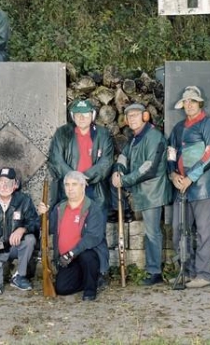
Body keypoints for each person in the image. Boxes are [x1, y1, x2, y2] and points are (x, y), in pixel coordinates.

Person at [48, 99, 113, 281]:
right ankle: (65, 267)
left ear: (92, 116)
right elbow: (56, 159)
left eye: (85, 114)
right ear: (72, 116)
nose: (81, 118)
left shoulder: (102, 134)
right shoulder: (63, 133)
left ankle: (100, 272)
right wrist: (74, 180)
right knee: (66, 228)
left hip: (95, 189)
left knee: (96, 233)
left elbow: (106, 161)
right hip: (70, 190)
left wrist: (84, 178)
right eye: (78, 115)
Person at [167, 85, 210, 289]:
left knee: (203, 232)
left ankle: (203, 274)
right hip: (181, 187)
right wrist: (173, 174)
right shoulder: (178, 129)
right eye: (186, 102)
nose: (189, 105)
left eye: (192, 101)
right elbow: (171, 153)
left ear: (200, 103)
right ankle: (187, 272)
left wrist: (190, 178)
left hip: (203, 187)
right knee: (178, 230)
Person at [112, 103, 171, 286]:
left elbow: (149, 168)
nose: (132, 119)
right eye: (129, 117)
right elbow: (124, 156)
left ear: (145, 116)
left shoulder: (153, 137)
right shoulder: (135, 138)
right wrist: (118, 170)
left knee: (153, 233)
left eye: (136, 115)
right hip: (142, 192)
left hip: (153, 191)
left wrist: (124, 180)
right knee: (150, 232)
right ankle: (152, 269)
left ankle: (155, 272)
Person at [37, 171, 108, 301]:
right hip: (66, 258)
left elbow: (92, 237)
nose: (70, 188)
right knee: (62, 288)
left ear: (83, 186)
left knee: (88, 256)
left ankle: (90, 289)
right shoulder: (59, 208)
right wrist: (44, 215)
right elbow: (50, 228)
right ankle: (89, 279)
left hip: (82, 254)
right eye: (67, 185)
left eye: (74, 184)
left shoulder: (93, 208)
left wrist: (72, 253)